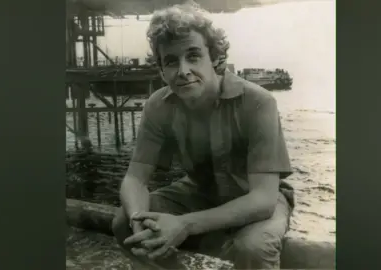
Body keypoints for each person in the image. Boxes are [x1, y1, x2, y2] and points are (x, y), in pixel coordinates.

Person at [112, 3, 295, 269]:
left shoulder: (258, 102)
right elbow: (135, 179)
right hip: (201, 190)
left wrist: (184, 224)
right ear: (161, 69)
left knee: (253, 247)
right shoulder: (159, 105)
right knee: (124, 223)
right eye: (171, 61)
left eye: (193, 56)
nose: (183, 70)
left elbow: (264, 200)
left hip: (255, 195)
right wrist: (138, 218)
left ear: (215, 58)